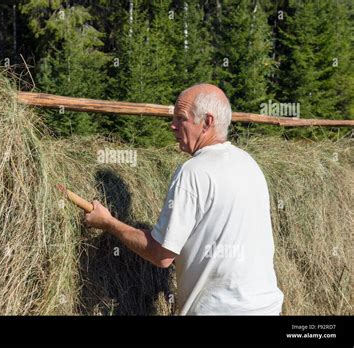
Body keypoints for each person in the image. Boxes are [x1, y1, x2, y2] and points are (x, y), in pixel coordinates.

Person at [84, 83, 284, 315]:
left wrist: (108, 222)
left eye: (181, 119)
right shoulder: (248, 163)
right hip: (266, 307)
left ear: (207, 122)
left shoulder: (193, 171)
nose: (173, 126)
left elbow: (162, 255)